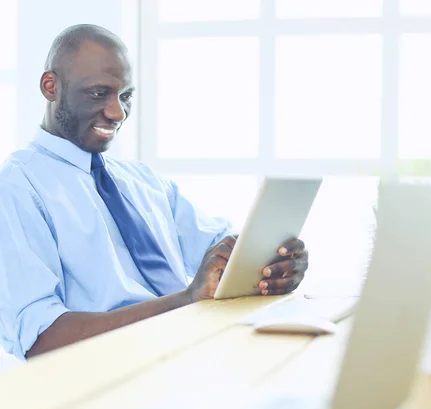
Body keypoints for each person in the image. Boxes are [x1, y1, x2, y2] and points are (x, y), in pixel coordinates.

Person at [0, 24, 309, 361]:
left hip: (190, 356)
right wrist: (184, 302)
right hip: (103, 380)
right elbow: (40, 337)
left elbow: (219, 250)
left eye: (125, 96)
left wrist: (270, 265)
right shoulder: (17, 188)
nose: (117, 113)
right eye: (98, 93)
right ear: (51, 87)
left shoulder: (143, 181)